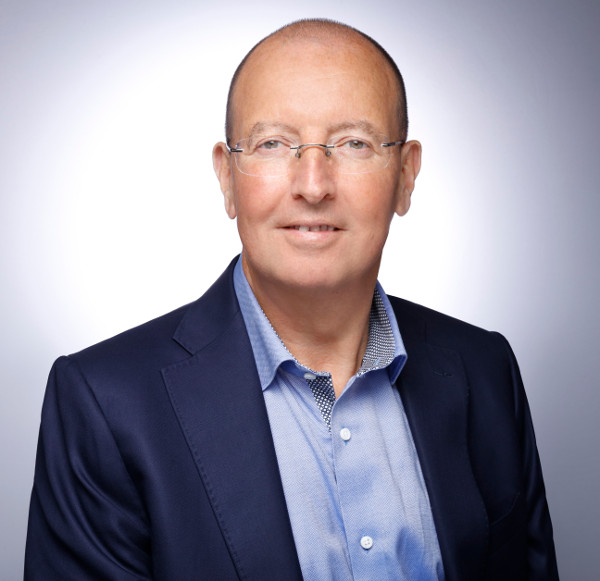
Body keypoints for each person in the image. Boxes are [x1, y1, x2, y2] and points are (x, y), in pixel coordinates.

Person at [25, 18, 559, 581]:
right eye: (273, 144)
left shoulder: (485, 368)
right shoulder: (105, 403)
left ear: (406, 176)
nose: (313, 185)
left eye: (353, 143)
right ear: (227, 178)